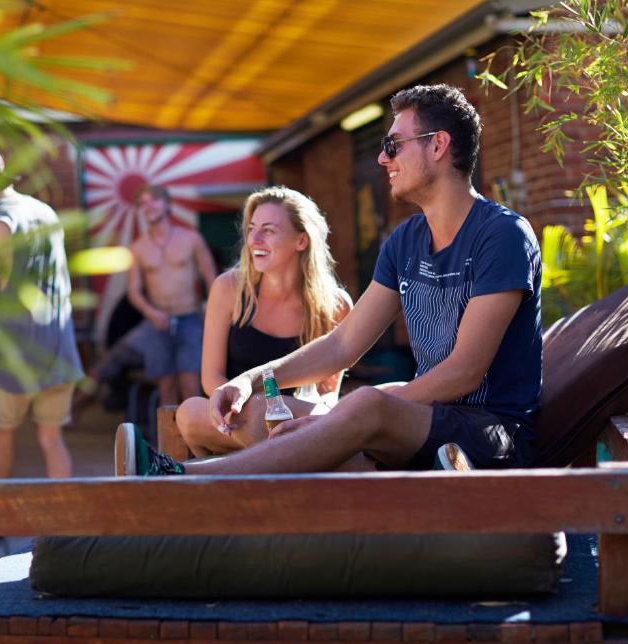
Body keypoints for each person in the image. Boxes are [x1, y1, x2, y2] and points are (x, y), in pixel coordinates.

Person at [120, 84, 542, 476]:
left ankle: (179, 477)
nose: (383, 159)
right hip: (426, 421)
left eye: (393, 145)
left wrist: (341, 416)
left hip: (489, 434)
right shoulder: (405, 241)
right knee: (271, 414)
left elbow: (464, 373)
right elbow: (343, 343)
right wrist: (249, 379)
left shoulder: (501, 235)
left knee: (365, 404)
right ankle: (348, 472)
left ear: (437, 145)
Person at [174, 186, 352, 455]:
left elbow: (327, 396)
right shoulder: (228, 288)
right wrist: (242, 408)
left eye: (268, 230)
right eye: (251, 228)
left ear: (301, 241)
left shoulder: (336, 305)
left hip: (298, 421)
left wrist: (280, 417)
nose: (254, 239)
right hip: (237, 416)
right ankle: (282, 455)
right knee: (189, 412)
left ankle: (267, 458)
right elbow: (212, 378)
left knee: (320, 417)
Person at [0, 145, 83, 478]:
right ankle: (66, 527)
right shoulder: (45, 212)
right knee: (52, 438)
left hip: (14, 346)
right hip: (58, 342)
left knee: (2, 434)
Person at [126, 184, 217, 406]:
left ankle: (195, 440)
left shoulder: (191, 238)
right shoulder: (137, 248)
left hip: (190, 318)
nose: (149, 207)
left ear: (168, 205)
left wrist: (211, 309)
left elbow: (213, 280)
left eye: (154, 200)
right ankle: (169, 440)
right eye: (143, 203)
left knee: (190, 383)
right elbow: (133, 291)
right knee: (166, 388)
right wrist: (151, 313)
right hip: (158, 323)